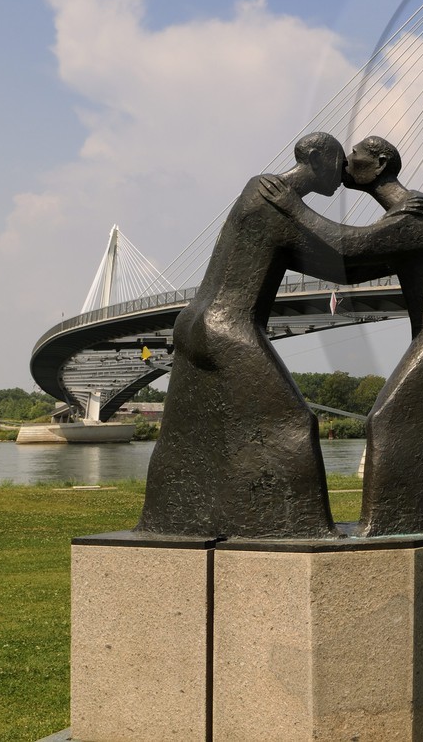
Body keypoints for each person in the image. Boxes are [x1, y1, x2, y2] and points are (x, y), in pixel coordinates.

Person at [261, 136, 423, 535]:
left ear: (380, 164)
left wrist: (290, 207)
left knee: (387, 421)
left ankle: (391, 526)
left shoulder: (415, 214)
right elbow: (352, 261)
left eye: (356, 156)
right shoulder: (405, 212)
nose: (346, 163)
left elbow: (350, 248)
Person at [137, 132, 345, 540]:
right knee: (293, 422)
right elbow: (343, 256)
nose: (344, 174)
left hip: (196, 323)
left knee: (183, 436)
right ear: (319, 158)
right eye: (340, 162)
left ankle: (168, 523)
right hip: (226, 328)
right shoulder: (275, 198)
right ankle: (307, 529)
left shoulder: (261, 188)